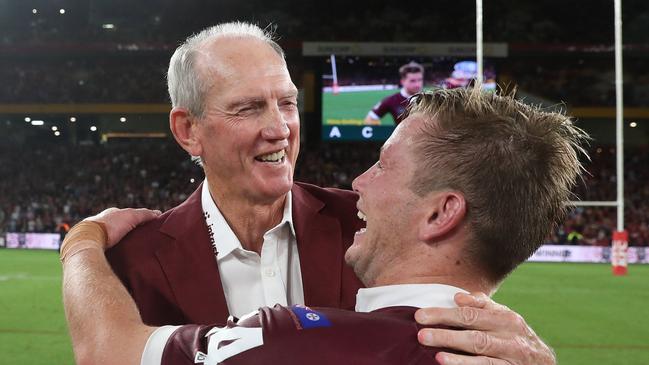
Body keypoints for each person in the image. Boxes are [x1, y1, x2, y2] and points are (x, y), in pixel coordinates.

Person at [96, 21, 554, 364]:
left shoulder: (378, 231)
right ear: (188, 130)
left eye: (288, 102)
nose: (279, 128)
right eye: (249, 108)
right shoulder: (132, 260)